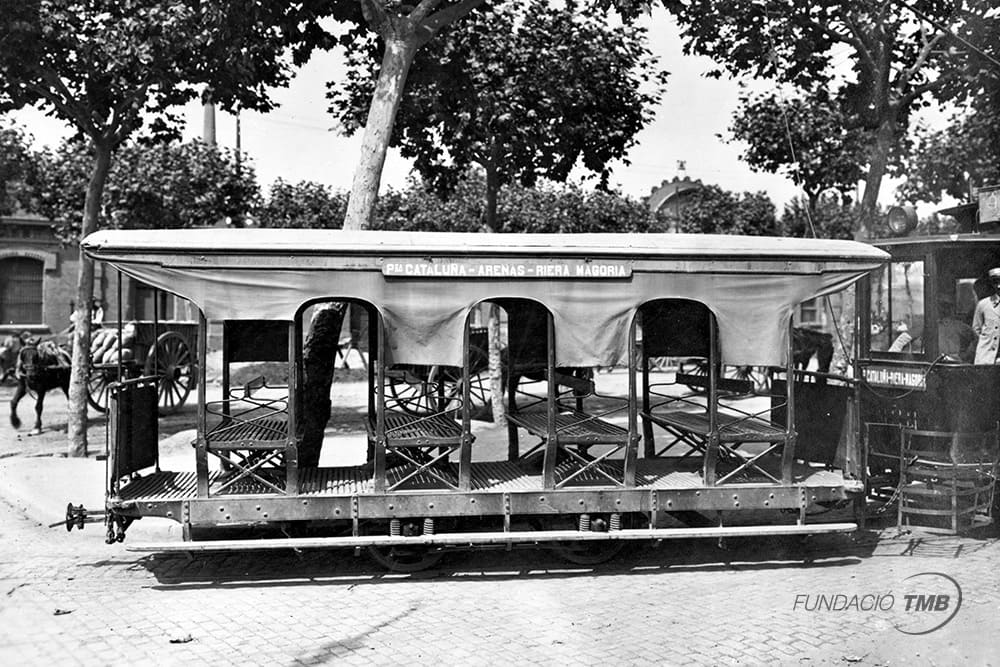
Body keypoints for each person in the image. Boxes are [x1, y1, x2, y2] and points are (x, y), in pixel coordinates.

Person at [972, 268, 1000, 364]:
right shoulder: (983, 305)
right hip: (986, 360)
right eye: (995, 282)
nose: (999, 286)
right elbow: (976, 329)